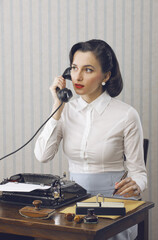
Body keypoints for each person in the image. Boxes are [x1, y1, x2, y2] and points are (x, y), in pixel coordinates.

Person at [34, 39, 147, 240]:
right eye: (74, 68)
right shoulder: (64, 110)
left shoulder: (127, 115)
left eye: (87, 70)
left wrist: (137, 184)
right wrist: (56, 107)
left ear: (106, 75)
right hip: (72, 201)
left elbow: (139, 172)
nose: (77, 76)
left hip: (113, 202)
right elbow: (43, 156)